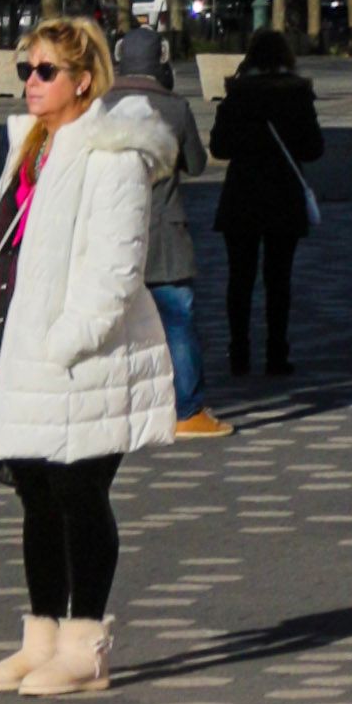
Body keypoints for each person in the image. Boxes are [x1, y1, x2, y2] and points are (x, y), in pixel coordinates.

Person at [0, 12, 175, 699]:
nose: (31, 82)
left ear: (83, 79)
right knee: (35, 495)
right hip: (15, 345)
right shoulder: (31, 146)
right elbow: (3, 243)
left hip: (80, 358)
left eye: (45, 71)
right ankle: (39, 637)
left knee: (79, 493)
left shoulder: (111, 153)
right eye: (26, 69)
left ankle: (84, 646)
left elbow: (117, 267)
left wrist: (69, 338)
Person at [110, 24, 222, 438]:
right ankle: (188, 410)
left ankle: (122, 405)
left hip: (112, 232)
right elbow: (195, 163)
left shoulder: (99, 105)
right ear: (161, 63)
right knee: (177, 320)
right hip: (165, 231)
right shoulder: (175, 108)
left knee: (116, 323)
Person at [209, 24, 323, 381]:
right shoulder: (298, 94)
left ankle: (239, 352)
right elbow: (313, 148)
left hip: (242, 194)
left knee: (239, 279)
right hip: (283, 195)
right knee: (279, 278)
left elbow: (219, 148)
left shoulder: (237, 94)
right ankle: (277, 352)